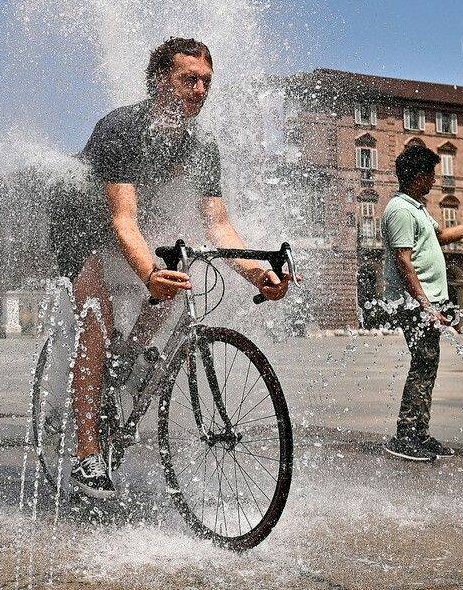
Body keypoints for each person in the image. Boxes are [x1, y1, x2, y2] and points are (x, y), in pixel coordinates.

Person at [51, 37, 293, 499]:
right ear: (160, 80)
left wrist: (259, 275)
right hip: (79, 222)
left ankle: (126, 357)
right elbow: (123, 219)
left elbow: (220, 227)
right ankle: (86, 456)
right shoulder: (122, 126)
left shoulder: (202, 147)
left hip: (126, 224)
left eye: (206, 81)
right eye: (189, 79)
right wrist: (148, 276)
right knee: (95, 320)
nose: (200, 90)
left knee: (178, 278)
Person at [380, 144, 463, 463]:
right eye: (431, 173)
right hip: (416, 304)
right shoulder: (400, 211)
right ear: (417, 176)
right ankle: (406, 435)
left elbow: (442, 236)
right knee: (422, 363)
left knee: (428, 363)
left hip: (428, 302)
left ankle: (419, 432)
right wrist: (425, 304)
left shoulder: (417, 209)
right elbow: (403, 261)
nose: (434, 180)